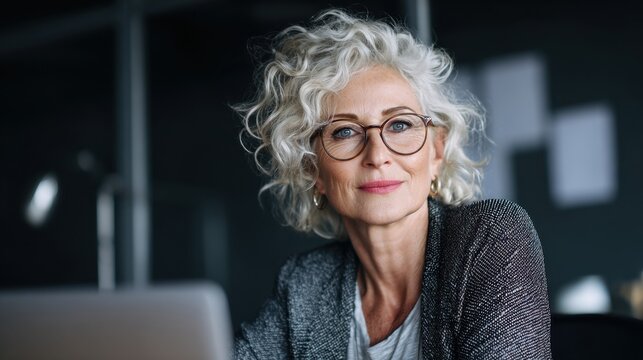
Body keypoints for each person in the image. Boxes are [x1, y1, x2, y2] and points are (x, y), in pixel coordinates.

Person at [234, 9, 551, 359]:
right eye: (344, 131)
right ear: (314, 171)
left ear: (436, 151)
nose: (377, 154)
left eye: (399, 125)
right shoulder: (305, 283)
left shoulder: (490, 237)